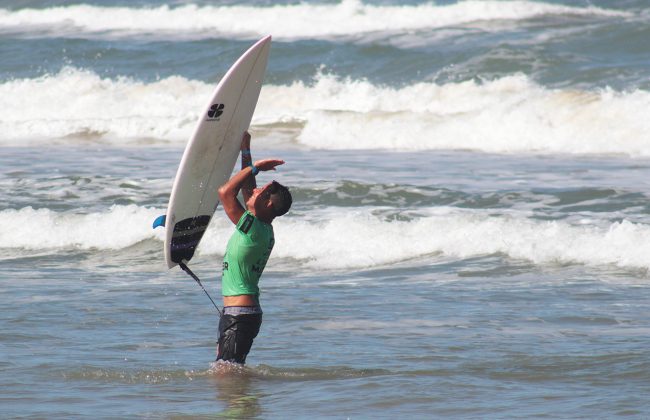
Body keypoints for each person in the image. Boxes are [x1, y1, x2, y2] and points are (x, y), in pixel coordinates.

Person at [215, 131, 292, 365]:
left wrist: (256, 167)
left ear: (267, 203)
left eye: (261, 192)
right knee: (229, 373)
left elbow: (225, 193)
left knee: (226, 375)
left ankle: (245, 402)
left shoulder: (253, 229)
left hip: (239, 314)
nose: (255, 191)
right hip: (241, 313)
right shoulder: (261, 226)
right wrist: (245, 150)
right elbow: (248, 188)